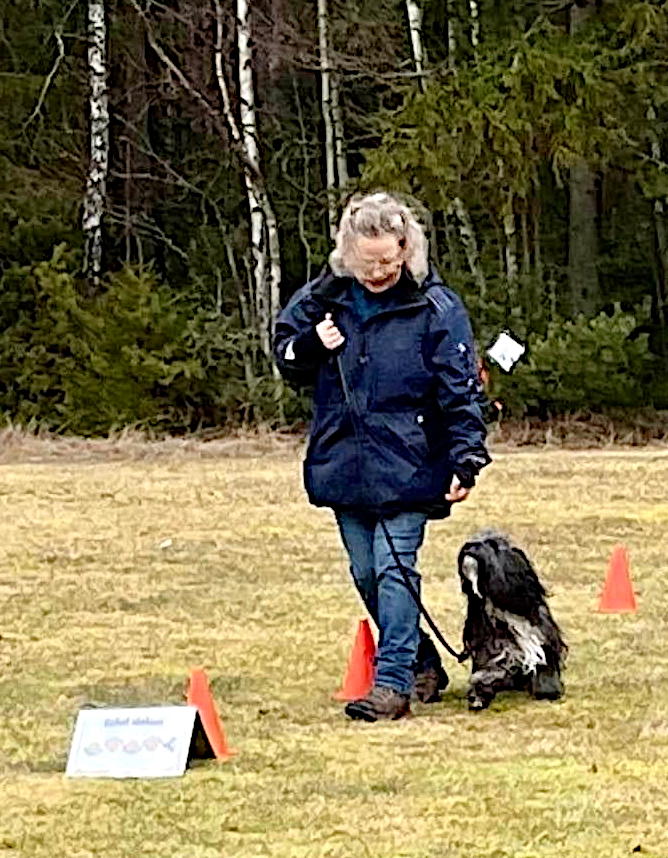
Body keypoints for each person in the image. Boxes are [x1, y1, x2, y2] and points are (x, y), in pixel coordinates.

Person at [273, 192, 491, 722]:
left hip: (412, 460)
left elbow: (461, 390)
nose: (378, 271)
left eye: (389, 261)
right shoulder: (321, 299)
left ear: (406, 249)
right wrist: (310, 345)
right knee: (366, 571)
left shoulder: (436, 306)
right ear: (347, 252)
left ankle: (390, 684)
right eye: (367, 261)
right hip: (343, 461)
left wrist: (467, 459)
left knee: (395, 568)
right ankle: (421, 661)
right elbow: (285, 354)